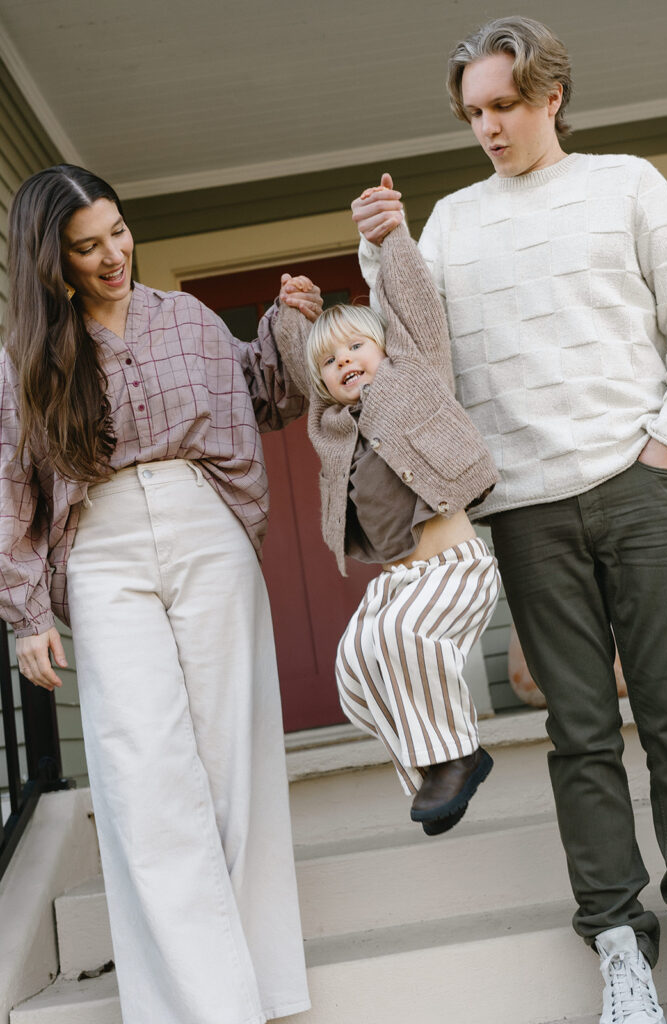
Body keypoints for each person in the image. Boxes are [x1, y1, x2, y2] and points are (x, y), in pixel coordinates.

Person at [351, 15, 667, 1024]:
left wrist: (666, 446)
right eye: (472, 114)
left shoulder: (625, 184)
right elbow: (412, 341)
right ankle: (618, 943)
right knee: (579, 731)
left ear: (548, 98)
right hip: (527, 511)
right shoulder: (450, 219)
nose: (487, 126)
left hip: (639, 488)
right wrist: (379, 253)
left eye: (501, 105)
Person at [0, 164, 323, 1024]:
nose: (113, 255)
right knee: (144, 771)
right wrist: (26, 614)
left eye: (117, 232)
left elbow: (261, 392)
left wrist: (289, 325)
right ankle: (202, 1006)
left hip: (203, 522)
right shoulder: (32, 358)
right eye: (86, 246)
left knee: (232, 759)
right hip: (99, 549)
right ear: (51, 261)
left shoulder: (184, 317)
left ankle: (265, 985)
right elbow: (13, 487)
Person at [275, 221, 500, 836]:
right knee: (354, 668)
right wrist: (295, 314)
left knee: (401, 637)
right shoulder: (330, 424)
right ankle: (433, 774)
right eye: (330, 360)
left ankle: (458, 756)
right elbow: (301, 365)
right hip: (399, 583)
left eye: (356, 348)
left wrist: (393, 237)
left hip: (455, 568)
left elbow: (416, 310)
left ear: (384, 351)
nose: (343, 361)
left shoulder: (413, 375)